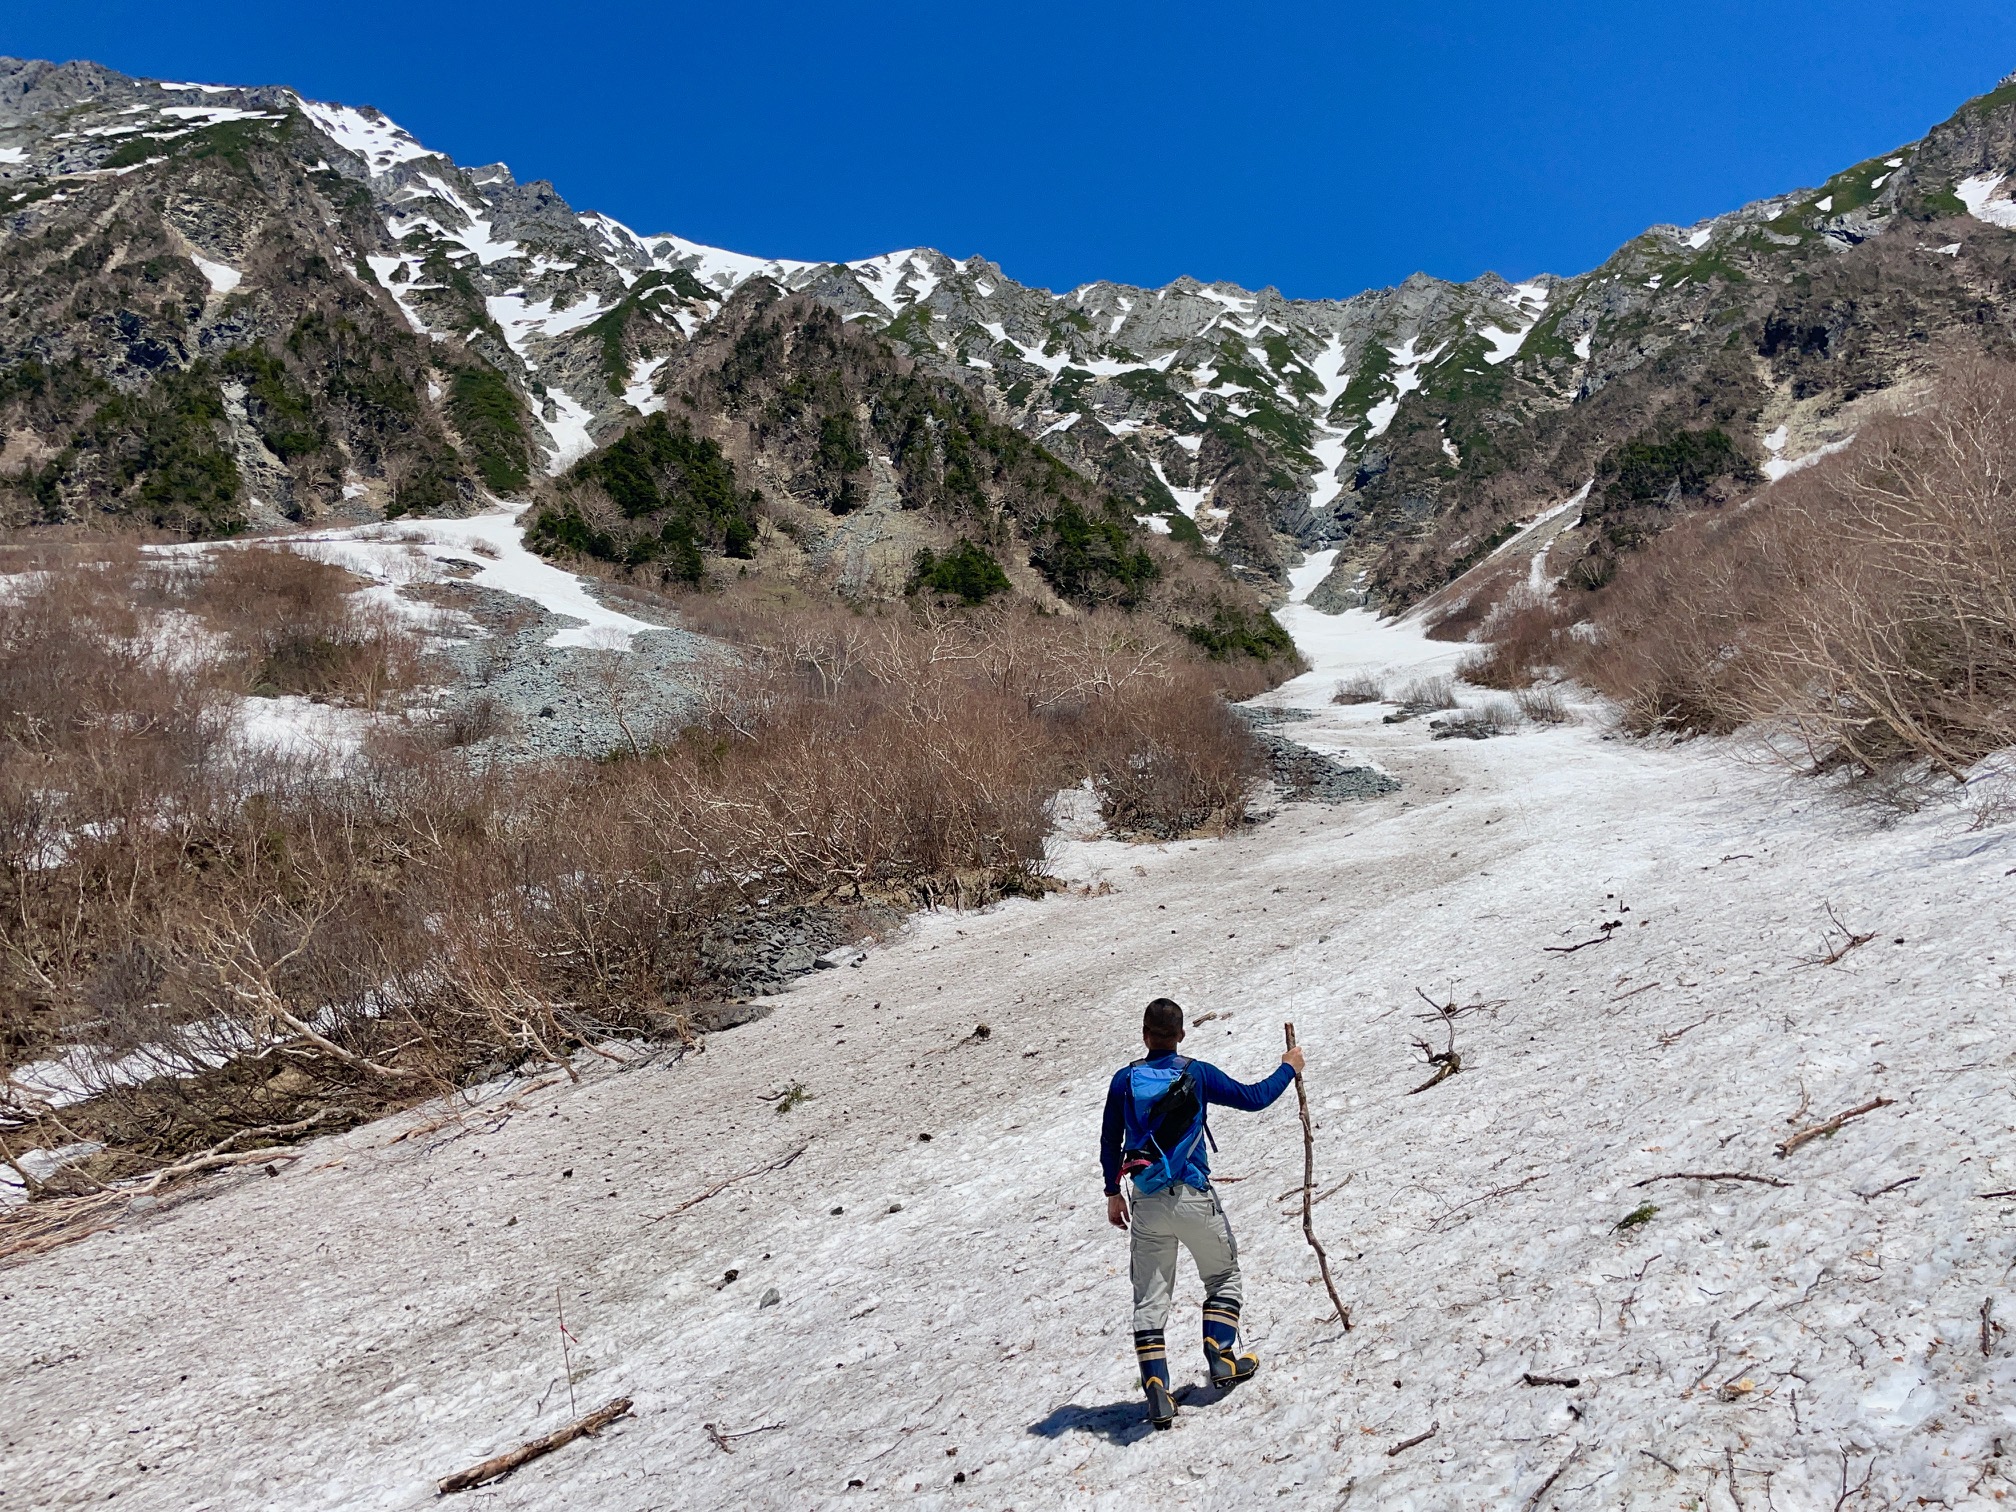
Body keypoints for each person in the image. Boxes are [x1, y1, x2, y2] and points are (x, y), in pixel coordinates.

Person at [1099, 996, 1304, 1429]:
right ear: (1181, 1035)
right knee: (1223, 1276)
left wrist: (1113, 1192)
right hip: (1193, 1194)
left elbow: (1109, 1140)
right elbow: (1254, 1098)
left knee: (1150, 1299)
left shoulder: (1124, 1080)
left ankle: (1157, 1390)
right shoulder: (1199, 1074)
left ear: (1145, 1035)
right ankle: (1221, 1358)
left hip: (1146, 1201)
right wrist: (1289, 1067)